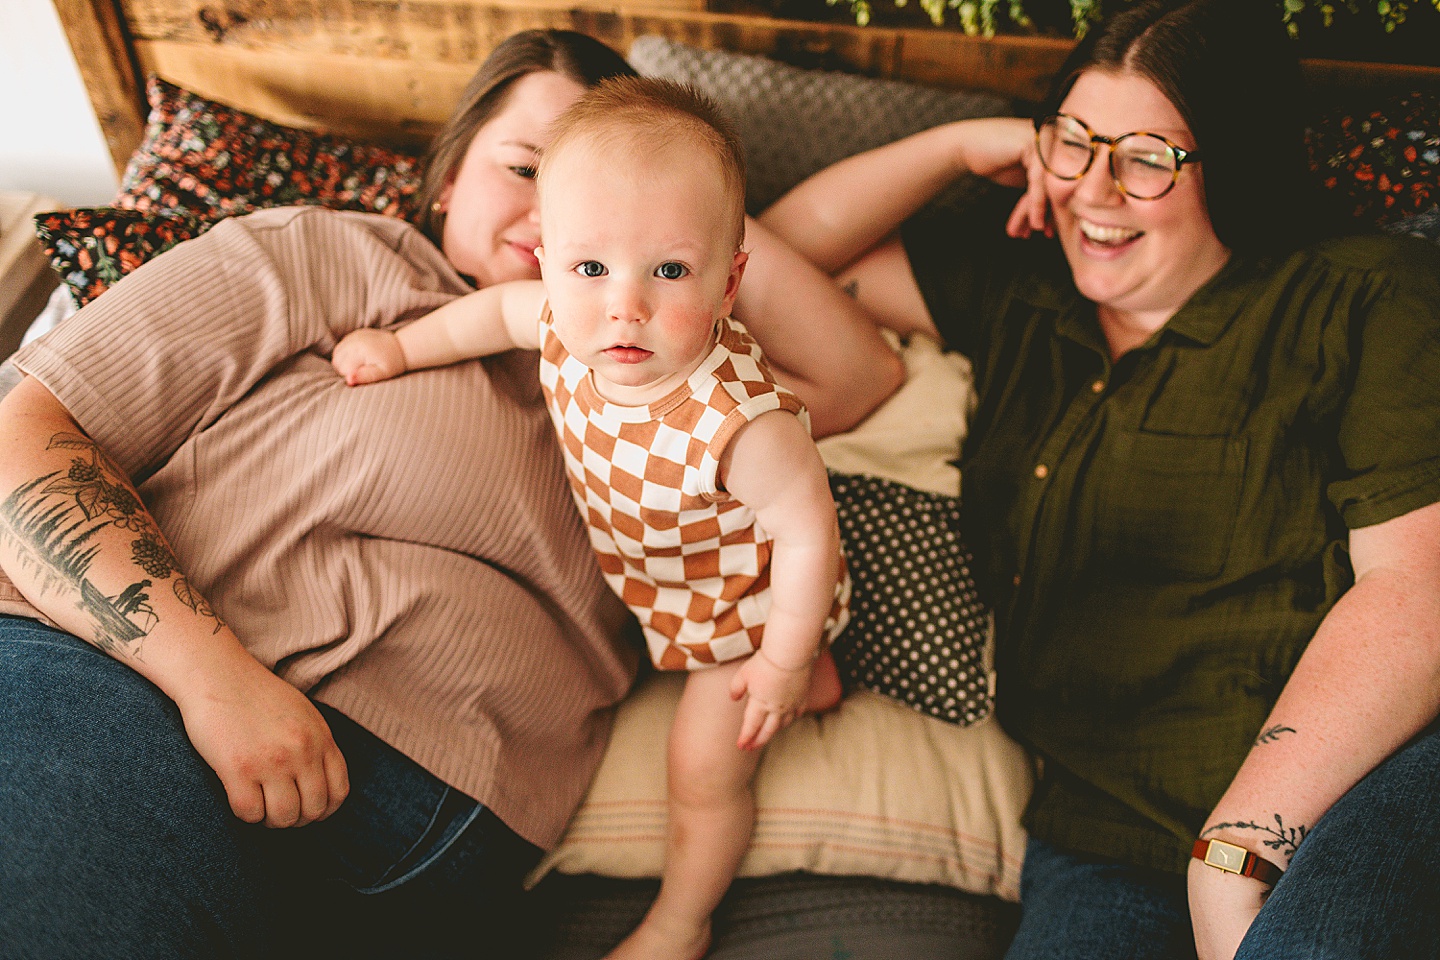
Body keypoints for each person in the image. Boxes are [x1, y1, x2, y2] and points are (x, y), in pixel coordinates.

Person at [0, 32, 900, 960]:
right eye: (530, 170)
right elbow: (16, 444)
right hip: (140, 684)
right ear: (447, 175)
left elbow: (861, 374)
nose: (574, 227)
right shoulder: (333, 256)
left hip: (441, 818)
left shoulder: (657, 376)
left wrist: (679, 218)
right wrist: (214, 682)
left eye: (658, 252)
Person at [756, 1, 1440, 958]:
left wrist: (1235, 852)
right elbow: (742, 262)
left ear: (1235, 163)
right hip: (1104, 832)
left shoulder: (1365, 297)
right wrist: (955, 146)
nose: (1094, 191)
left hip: (1358, 787)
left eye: (1148, 157)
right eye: (1074, 143)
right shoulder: (1020, 294)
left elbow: (1417, 588)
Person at [334, 76, 854, 960]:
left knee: (702, 770)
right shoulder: (560, 321)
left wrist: (781, 659)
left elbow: (809, 536)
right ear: (549, 260)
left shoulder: (743, 425)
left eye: (670, 270)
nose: (625, 304)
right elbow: (489, 316)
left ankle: (680, 923)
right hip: (653, 570)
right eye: (590, 267)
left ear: (730, 282)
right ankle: (815, 677)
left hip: (741, 604)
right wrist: (399, 346)